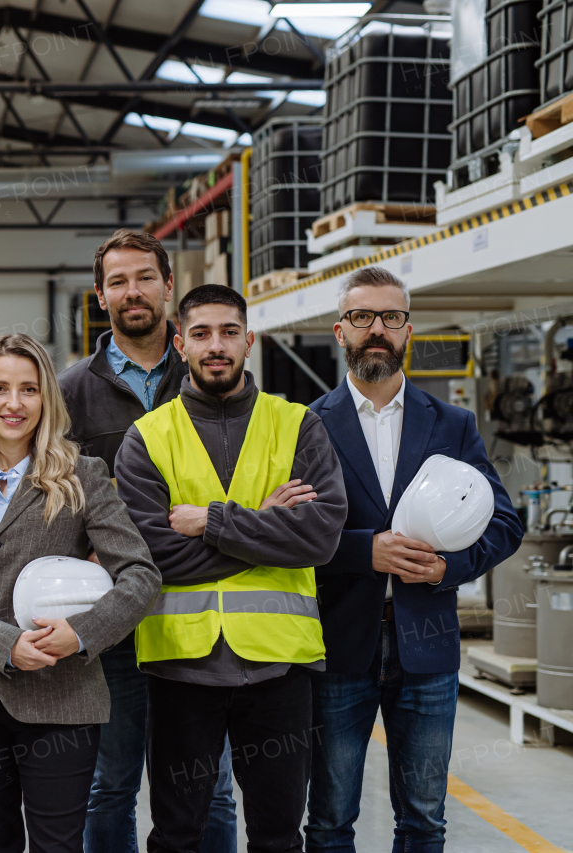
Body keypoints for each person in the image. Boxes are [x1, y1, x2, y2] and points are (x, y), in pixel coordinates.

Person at [116, 285, 348, 853]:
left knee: (276, 836)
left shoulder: (299, 426)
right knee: (175, 835)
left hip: (279, 668)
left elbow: (319, 537)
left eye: (227, 333)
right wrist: (265, 524)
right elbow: (153, 554)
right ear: (180, 344)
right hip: (181, 670)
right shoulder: (148, 438)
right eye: (200, 334)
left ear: (249, 340)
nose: (215, 345)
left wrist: (213, 522)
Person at [305, 268, 522, 853]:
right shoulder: (305, 425)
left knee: (424, 819)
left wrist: (449, 569)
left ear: (407, 330)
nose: (377, 329)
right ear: (339, 331)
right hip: (337, 645)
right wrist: (363, 550)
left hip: (425, 643)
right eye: (361, 317)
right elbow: (288, 533)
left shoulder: (452, 424)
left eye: (391, 318)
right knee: (328, 820)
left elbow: (505, 522)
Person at [0, 332, 161, 853]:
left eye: (29, 390)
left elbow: (141, 576)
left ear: (46, 399)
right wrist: (3, 644)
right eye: (1, 389)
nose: (14, 404)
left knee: (58, 844)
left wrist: (79, 634)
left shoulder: (83, 477)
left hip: (63, 695)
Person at [58, 229, 237, 853]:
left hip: (194, 609)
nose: (131, 291)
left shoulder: (212, 376)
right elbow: (53, 498)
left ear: (168, 286)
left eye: (143, 277)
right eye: (116, 282)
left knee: (209, 783)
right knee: (109, 783)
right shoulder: (69, 391)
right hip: (110, 620)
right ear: (100, 297)